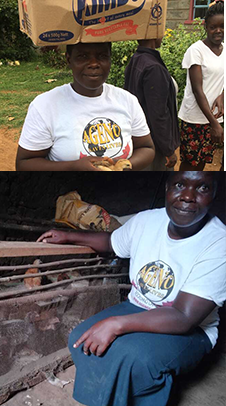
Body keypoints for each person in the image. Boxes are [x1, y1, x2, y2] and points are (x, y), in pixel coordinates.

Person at [37, 171, 226, 406]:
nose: (188, 196)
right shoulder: (147, 221)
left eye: (202, 188)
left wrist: (116, 324)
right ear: (167, 188)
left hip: (193, 329)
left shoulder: (219, 242)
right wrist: (68, 235)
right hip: (138, 306)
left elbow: (184, 316)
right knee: (80, 339)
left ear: (214, 194)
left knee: (136, 358)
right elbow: (111, 242)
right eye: (180, 184)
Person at [16, 42, 155, 171]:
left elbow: (146, 147)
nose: (94, 64)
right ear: (69, 60)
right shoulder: (45, 105)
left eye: (102, 56)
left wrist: (121, 167)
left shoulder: (127, 100)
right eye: (82, 56)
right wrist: (73, 167)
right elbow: (24, 163)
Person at [178, 0, 224, 170]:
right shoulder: (196, 51)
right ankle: (178, 191)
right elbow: (197, 90)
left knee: (203, 161)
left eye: (222, 26)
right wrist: (214, 123)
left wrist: (222, 95)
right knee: (191, 164)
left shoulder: (225, 49)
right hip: (195, 119)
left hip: (213, 118)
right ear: (206, 27)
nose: (218, 30)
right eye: (213, 27)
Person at [124, 37, 180, 171]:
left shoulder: (137, 58)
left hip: (139, 136)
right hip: (154, 143)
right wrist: (168, 150)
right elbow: (158, 114)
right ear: (156, 34)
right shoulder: (154, 67)